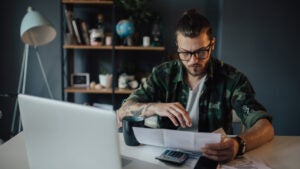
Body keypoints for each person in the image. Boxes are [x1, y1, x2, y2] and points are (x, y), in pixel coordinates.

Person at [117, 9, 274, 162]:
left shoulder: (232, 79)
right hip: (167, 158)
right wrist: (155, 108)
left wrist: (238, 144)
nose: (193, 61)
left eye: (200, 52)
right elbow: (124, 110)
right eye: (185, 53)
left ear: (212, 45)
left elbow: (265, 127)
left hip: (212, 159)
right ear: (177, 47)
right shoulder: (163, 74)